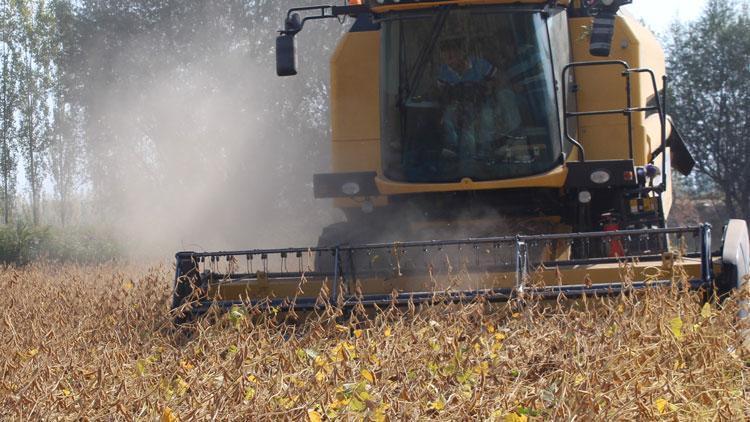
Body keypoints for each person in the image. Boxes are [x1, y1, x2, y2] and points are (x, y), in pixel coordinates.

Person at [436, 38, 521, 165]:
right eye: (446, 58)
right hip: (458, 106)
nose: (449, 62)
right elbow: (441, 93)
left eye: (452, 56)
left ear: (461, 53)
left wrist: (491, 88)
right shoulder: (443, 71)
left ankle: (485, 152)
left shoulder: (479, 65)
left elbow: (501, 78)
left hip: (481, 103)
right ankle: (452, 151)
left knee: (487, 117)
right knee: (448, 117)